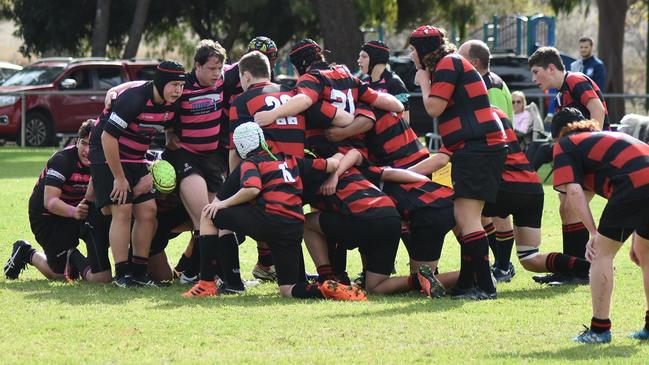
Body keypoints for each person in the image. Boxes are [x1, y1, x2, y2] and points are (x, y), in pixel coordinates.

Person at [183, 122, 365, 300]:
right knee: (289, 289)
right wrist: (338, 157)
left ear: (239, 149)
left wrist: (223, 204)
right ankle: (329, 288)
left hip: (268, 219)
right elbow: (332, 164)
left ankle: (206, 283)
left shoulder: (250, 163)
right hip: (293, 227)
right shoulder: (291, 160)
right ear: (263, 141)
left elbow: (252, 189)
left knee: (208, 214)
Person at [409, 108, 591, 286]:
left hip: (502, 186)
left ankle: (479, 276)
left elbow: (441, 159)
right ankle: (587, 267)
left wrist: (397, 173)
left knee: (460, 212)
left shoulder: (464, 118)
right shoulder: (498, 112)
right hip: (531, 187)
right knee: (530, 257)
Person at [410, 25, 507, 299]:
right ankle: (468, 283)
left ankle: (485, 287)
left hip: (479, 147)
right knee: (465, 218)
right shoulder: (448, 63)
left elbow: (434, 108)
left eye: (412, 49)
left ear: (423, 50)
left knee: (467, 218)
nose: (410, 55)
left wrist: (423, 81)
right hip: (474, 147)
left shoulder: (448, 63)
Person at [551, 109, 649, 343]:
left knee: (601, 255)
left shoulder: (564, 145)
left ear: (557, 136)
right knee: (646, 255)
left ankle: (600, 329)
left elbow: (574, 192)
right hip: (641, 177)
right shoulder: (602, 139)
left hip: (632, 183)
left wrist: (593, 232)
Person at [89, 60, 185, 288]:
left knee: (149, 211)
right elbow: (107, 137)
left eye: (181, 86)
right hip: (106, 153)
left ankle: (139, 273)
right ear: (161, 83)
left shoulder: (172, 103)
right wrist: (120, 179)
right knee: (123, 208)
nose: (179, 91)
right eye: (174, 85)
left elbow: (170, 126)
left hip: (136, 156)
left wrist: (171, 137)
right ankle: (123, 275)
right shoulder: (134, 99)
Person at [528, 47, 608, 284]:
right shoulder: (560, 94)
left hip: (594, 157)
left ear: (551, 68)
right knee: (566, 208)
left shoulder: (575, 80)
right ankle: (571, 268)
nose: (533, 79)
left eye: (536, 72)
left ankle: (581, 271)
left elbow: (597, 109)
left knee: (572, 208)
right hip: (580, 158)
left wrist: (591, 147)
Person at [4, 120, 109, 283]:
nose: (87, 150)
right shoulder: (62, 160)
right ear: (77, 141)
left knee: (102, 222)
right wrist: (74, 212)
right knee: (61, 275)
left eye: (92, 145)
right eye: (84, 143)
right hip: (47, 216)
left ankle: (95, 266)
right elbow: (50, 201)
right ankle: (26, 252)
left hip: (77, 211)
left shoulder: (102, 161)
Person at [458, 39, 516, 281]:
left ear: (474, 62)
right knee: (484, 215)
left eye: (461, 58)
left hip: (498, 157)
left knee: (499, 213)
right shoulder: (482, 82)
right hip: (491, 156)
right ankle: (500, 264)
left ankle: (503, 265)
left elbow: (499, 123)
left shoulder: (489, 86)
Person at [358, 40, 411, 122]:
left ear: (376, 59)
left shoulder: (395, 83)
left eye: (364, 57)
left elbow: (406, 120)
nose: (359, 60)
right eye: (359, 56)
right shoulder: (363, 83)